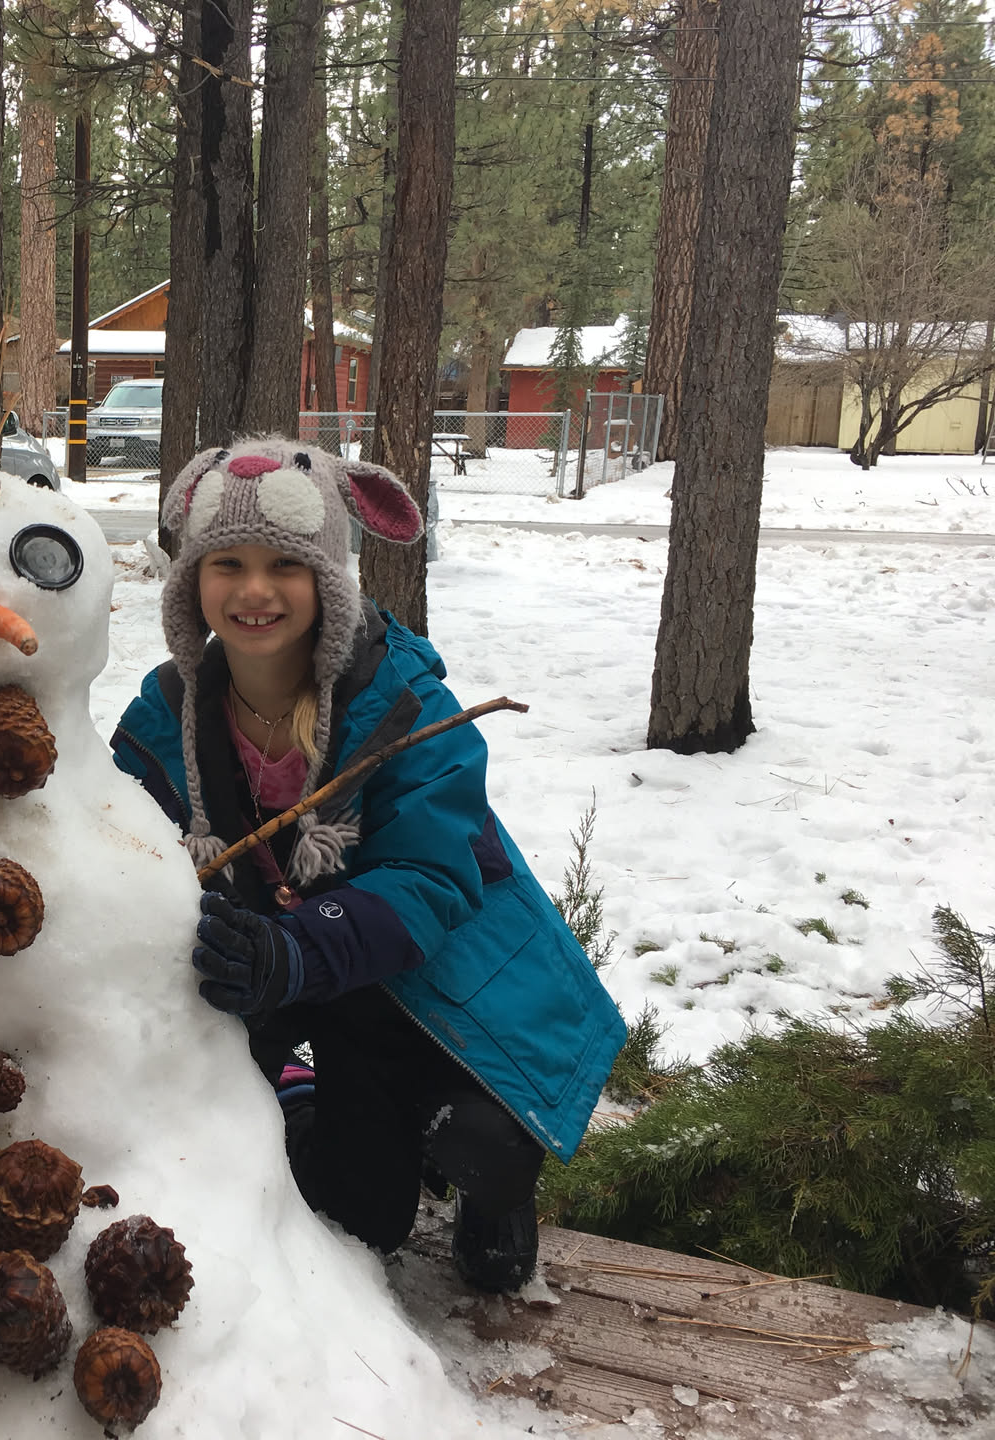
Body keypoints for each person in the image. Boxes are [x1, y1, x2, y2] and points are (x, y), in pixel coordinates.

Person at [111, 436, 623, 1292]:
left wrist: (298, 951)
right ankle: (299, 1096)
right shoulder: (166, 716)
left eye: (286, 564)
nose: (254, 591)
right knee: (360, 1220)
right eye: (227, 564)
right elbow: (122, 854)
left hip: (417, 978)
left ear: (329, 579)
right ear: (192, 582)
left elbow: (430, 879)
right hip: (276, 981)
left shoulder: (406, 702)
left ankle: (486, 1180)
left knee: (485, 1145)